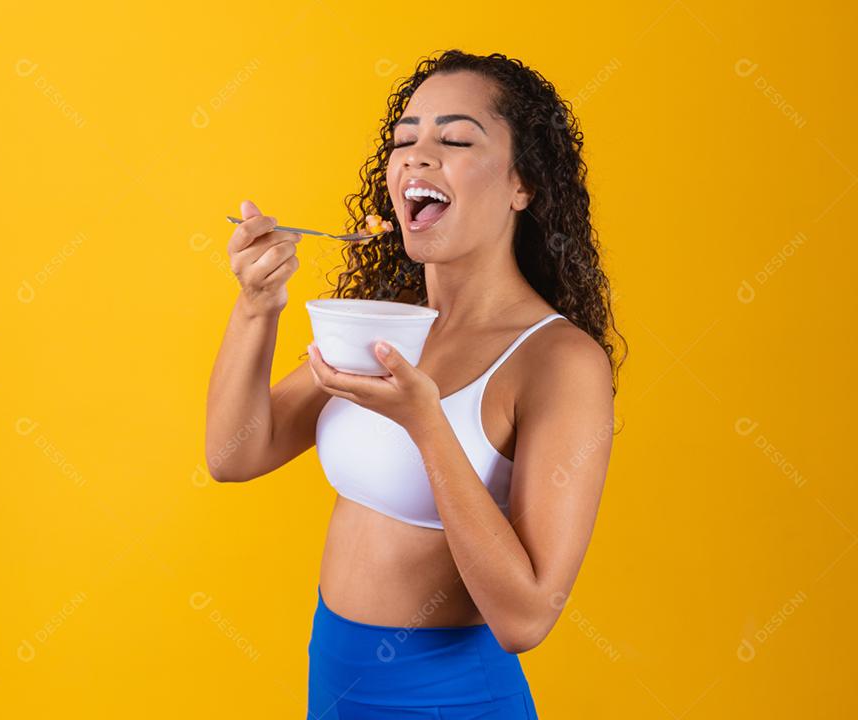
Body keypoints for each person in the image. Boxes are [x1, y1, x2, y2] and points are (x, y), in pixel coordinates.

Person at [206, 49, 626, 719]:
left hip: (453, 701)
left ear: (525, 185)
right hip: (335, 688)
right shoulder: (385, 326)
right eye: (405, 140)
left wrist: (426, 422)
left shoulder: (558, 362)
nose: (416, 157)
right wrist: (256, 309)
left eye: (455, 139)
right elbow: (235, 454)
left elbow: (526, 619)